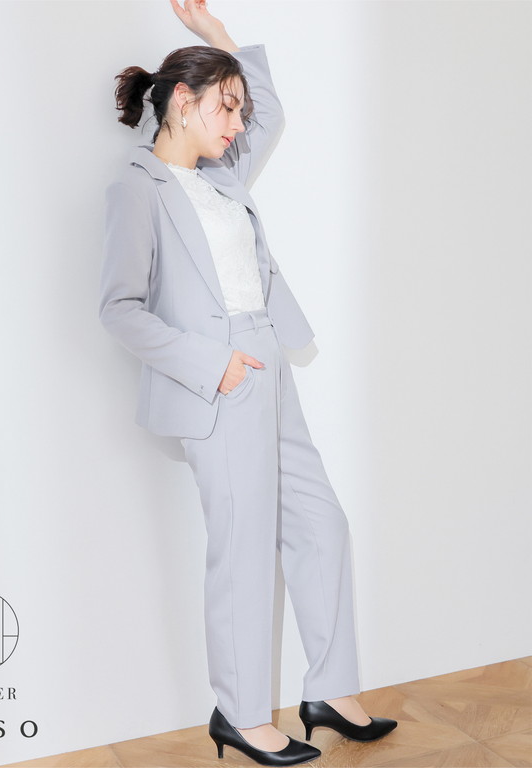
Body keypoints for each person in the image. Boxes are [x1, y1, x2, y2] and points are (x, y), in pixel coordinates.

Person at [99, 1, 398, 765]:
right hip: (218, 376)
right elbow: (119, 310)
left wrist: (219, 41)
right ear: (183, 101)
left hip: (267, 356)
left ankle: (330, 690)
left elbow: (270, 112)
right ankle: (239, 713)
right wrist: (215, 364)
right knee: (243, 547)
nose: (238, 124)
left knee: (321, 522)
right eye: (225, 108)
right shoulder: (138, 188)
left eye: (238, 110)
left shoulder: (220, 173)